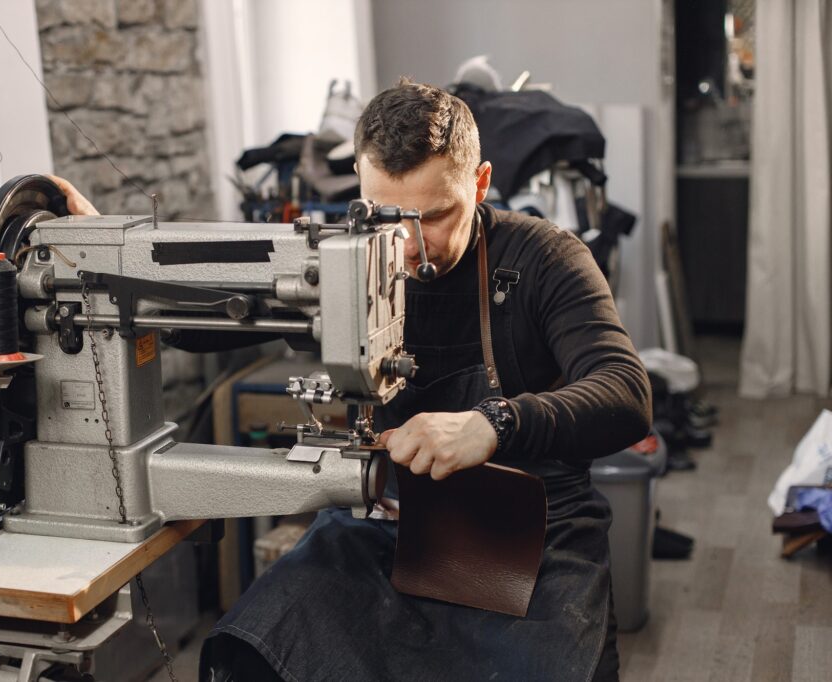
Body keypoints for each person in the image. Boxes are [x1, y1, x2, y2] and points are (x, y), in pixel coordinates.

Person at [51, 79, 651, 681]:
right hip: (393, 519)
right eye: (387, 218)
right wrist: (110, 261)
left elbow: (625, 391)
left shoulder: (545, 259)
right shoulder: (350, 260)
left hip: (533, 531)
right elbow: (204, 317)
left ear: (481, 182)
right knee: (252, 653)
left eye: (436, 216)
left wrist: (492, 424)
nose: (411, 247)